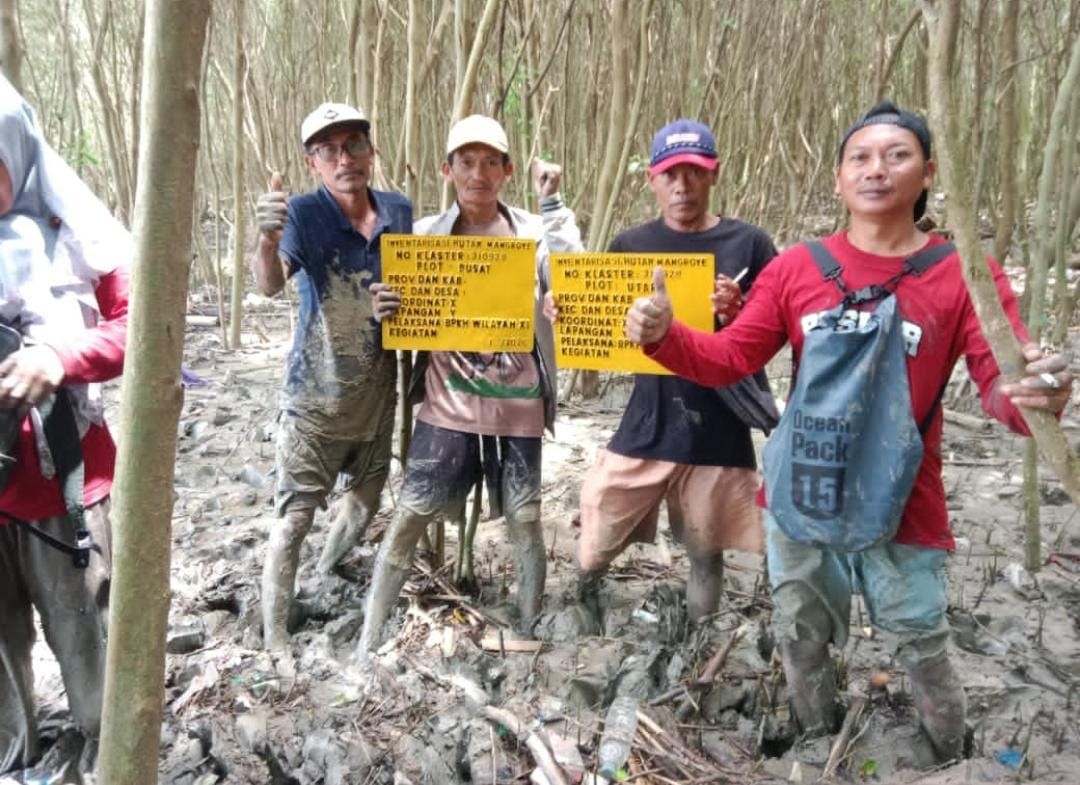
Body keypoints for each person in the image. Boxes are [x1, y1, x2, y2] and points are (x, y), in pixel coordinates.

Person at [626, 101, 1073, 762]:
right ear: (838, 180)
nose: (876, 170)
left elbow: (999, 386)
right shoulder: (796, 268)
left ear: (928, 173)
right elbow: (731, 358)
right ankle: (816, 745)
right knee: (801, 629)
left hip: (905, 498)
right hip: (800, 491)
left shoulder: (964, 273)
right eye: (860, 158)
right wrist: (666, 336)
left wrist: (1039, 396)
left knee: (920, 640)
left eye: (897, 155)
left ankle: (953, 756)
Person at [357, 114, 583, 653]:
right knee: (410, 513)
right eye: (466, 162)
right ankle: (369, 634)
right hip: (448, 403)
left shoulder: (533, 233)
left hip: (519, 404)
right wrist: (383, 306)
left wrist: (553, 205)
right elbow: (396, 309)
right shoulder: (423, 237)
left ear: (507, 171)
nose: (477, 174)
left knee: (525, 519)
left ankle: (528, 627)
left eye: (489, 163)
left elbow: (571, 276)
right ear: (447, 170)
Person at [545, 119, 777, 632]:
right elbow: (604, 323)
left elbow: (773, 330)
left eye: (694, 172)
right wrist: (566, 311)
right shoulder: (631, 244)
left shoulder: (750, 244)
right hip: (650, 413)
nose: (682, 186)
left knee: (704, 547)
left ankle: (695, 642)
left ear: (714, 174)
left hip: (718, 418)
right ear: (652, 179)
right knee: (601, 512)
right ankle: (583, 595)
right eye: (670, 174)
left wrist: (738, 312)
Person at [0, 76, 130, 775]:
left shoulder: (78, 230)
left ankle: (107, 756)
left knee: (89, 651)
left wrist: (58, 357)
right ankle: (13, 755)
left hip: (63, 487)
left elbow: (141, 328)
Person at [253, 102, 412, 651]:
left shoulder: (399, 211)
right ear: (312, 162)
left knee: (365, 504)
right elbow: (270, 284)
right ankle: (275, 636)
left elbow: (420, 291)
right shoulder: (302, 213)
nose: (345, 160)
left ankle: (324, 573)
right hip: (315, 400)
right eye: (329, 151)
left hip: (377, 397)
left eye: (354, 145)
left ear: (371, 150)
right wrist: (267, 240)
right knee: (294, 518)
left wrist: (400, 305)